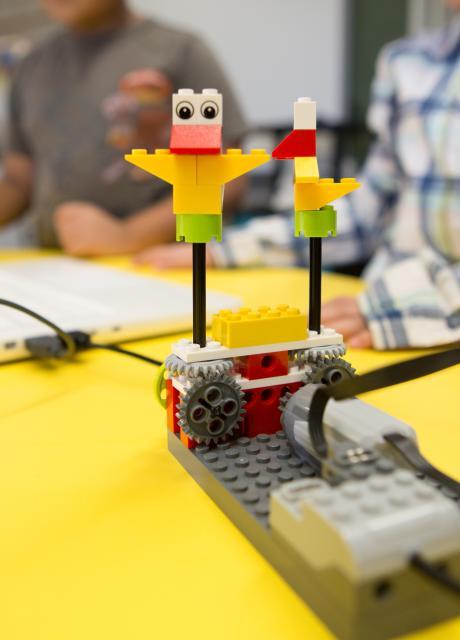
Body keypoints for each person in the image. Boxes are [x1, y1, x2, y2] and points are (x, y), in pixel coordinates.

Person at [137, 6, 460, 350]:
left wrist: (417, 304)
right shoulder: (407, 62)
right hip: (370, 323)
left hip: (407, 325)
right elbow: (368, 214)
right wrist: (227, 250)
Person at [0, 0, 246, 255]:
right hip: (58, 265)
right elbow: (19, 180)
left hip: (160, 262)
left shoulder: (177, 52)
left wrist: (129, 236)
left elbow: (225, 177)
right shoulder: (32, 67)